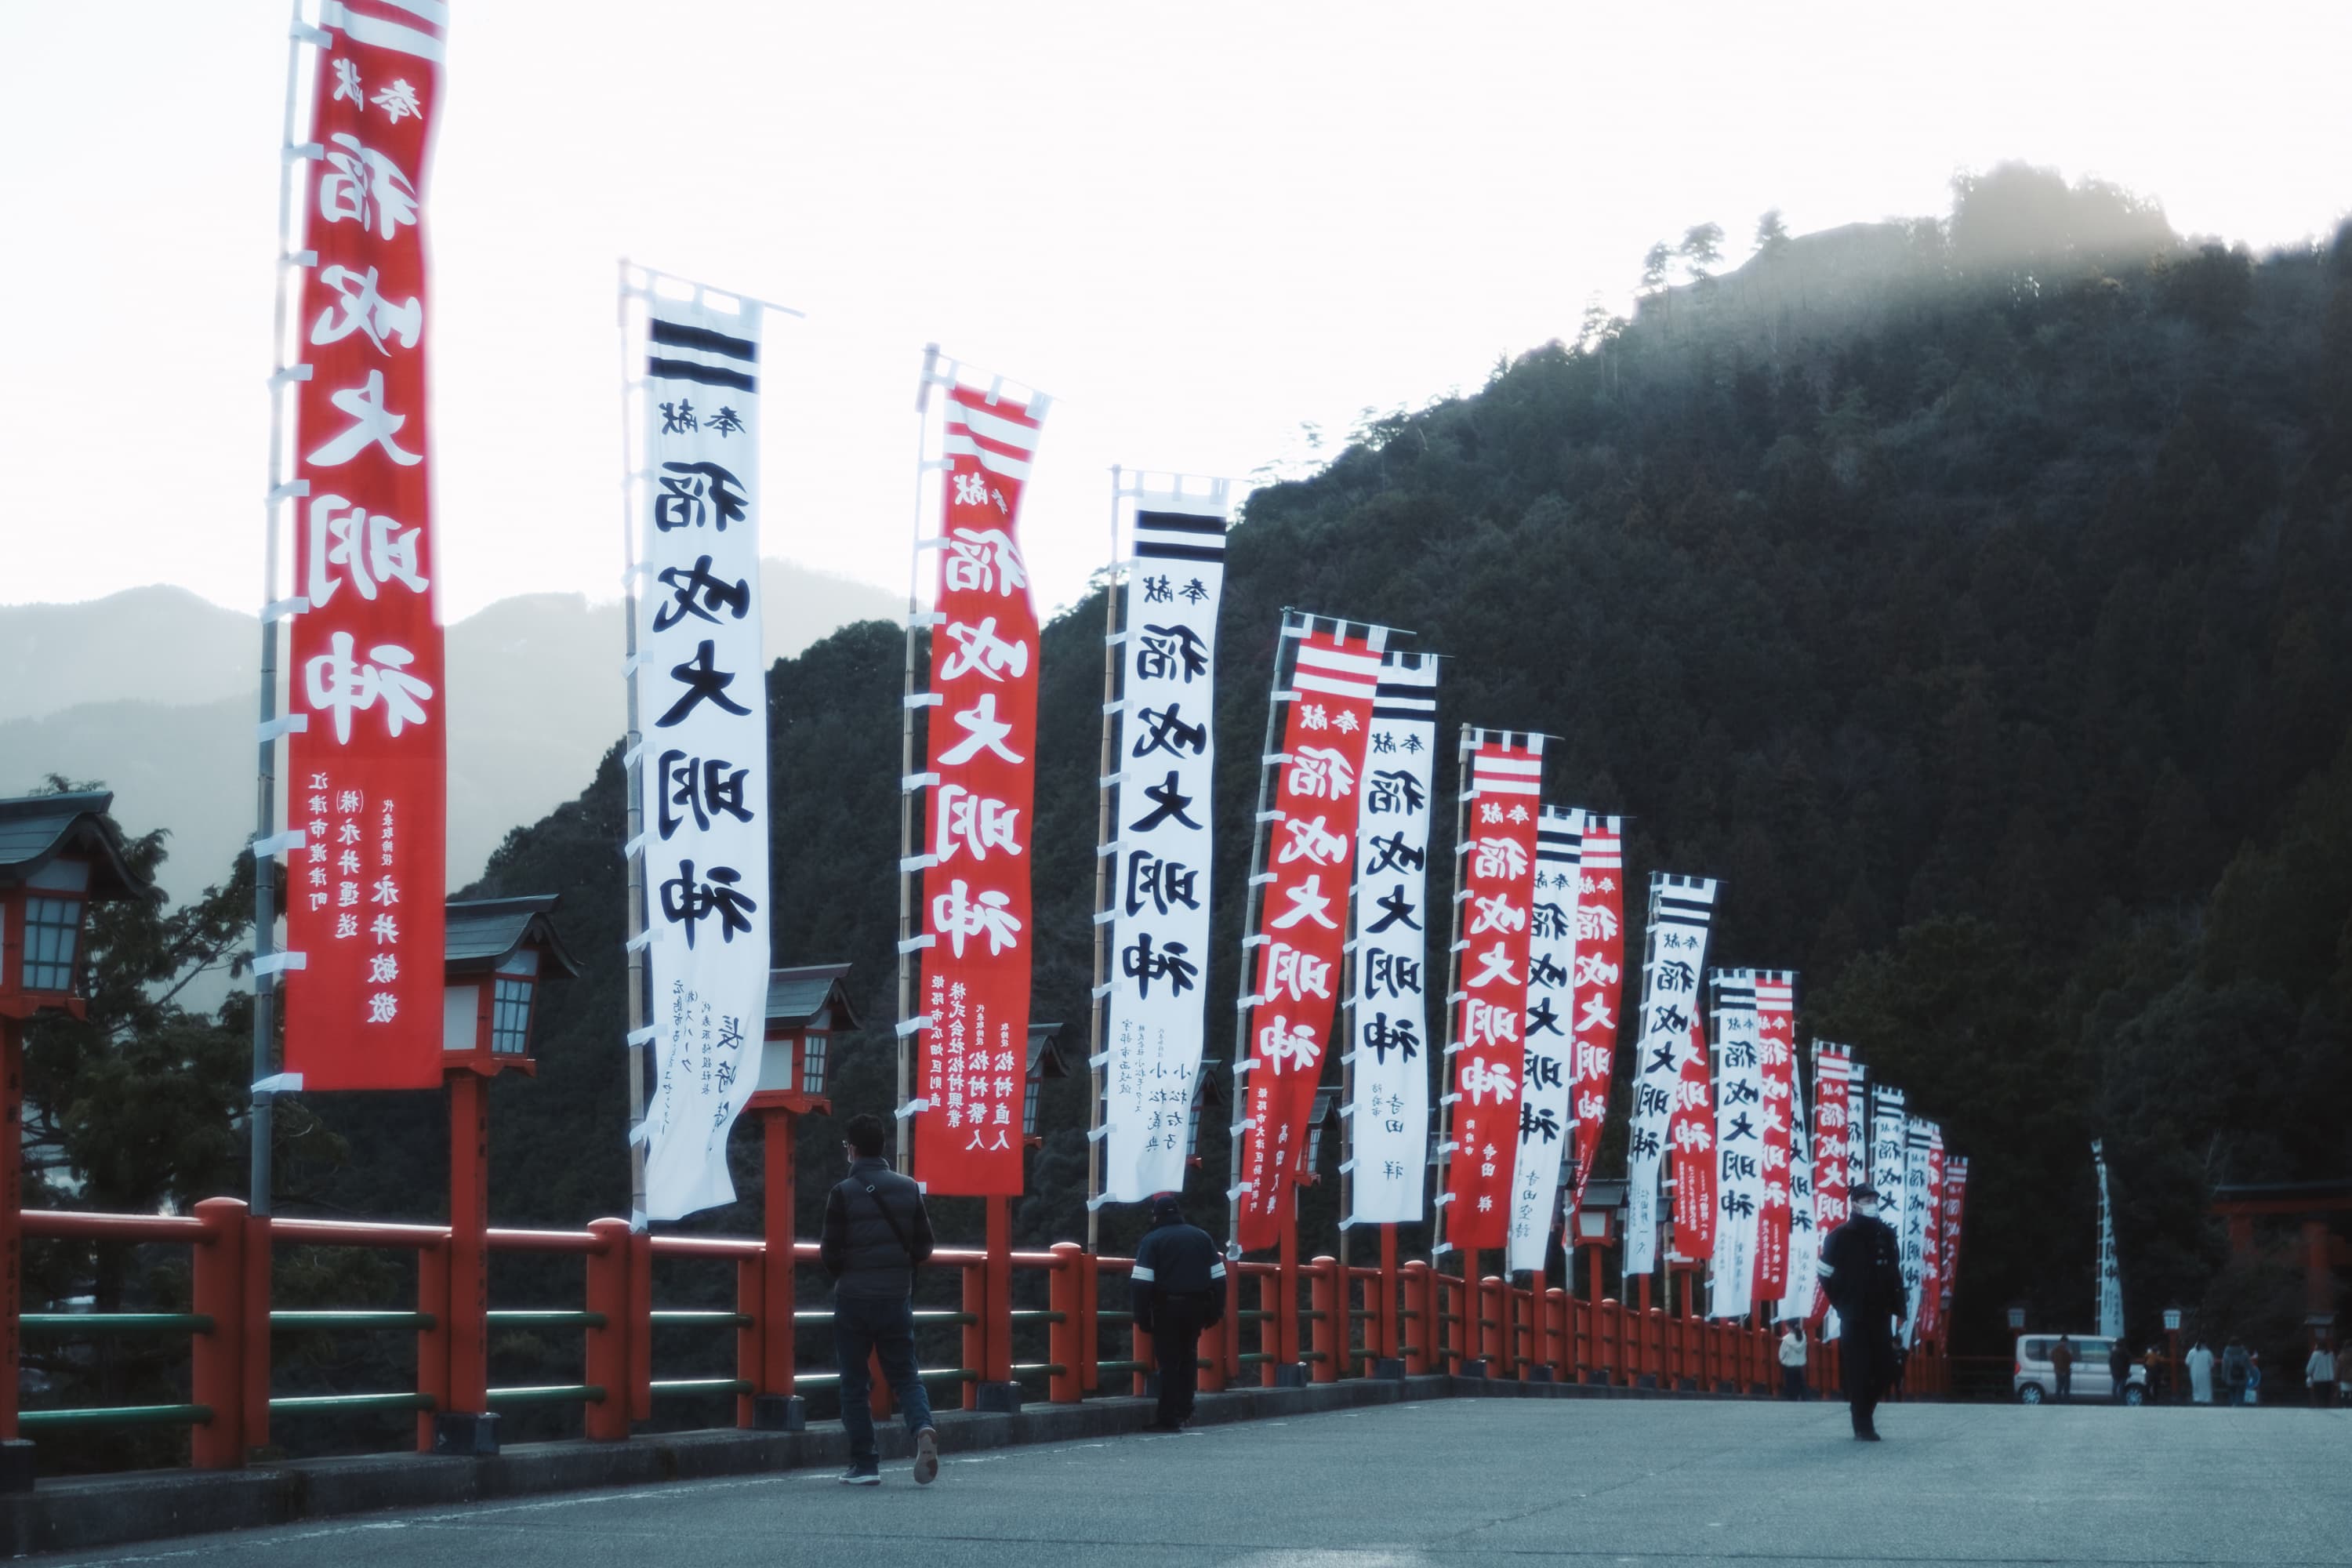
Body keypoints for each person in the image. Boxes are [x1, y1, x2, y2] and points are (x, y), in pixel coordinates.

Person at [819, 1113, 940, 1486]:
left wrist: (849, 1271)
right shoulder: (908, 1189)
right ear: (882, 1147)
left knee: (855, 1381)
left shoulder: (842, 1192)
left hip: (854, 1299)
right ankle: (922, 1428)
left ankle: (865, 1464)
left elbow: (830, 1253)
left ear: (852, 1150)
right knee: (905, 1373)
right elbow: (924, 1247)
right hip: (895, 1297)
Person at [1816, 1181, 1906, 1440]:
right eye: (1866, 1201)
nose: (1872, 1205)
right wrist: (1841, 1301)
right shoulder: (1839, 1236)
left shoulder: (1886, 1235)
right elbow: (1824, 1274)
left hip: (1881, 1313)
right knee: (1859, 1369)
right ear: (1854, 1204)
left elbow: (1894, 1272)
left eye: (1874, 1200)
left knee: (1887, 1366)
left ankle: (1865, 1409)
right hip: (1853, 1314)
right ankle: (1862, 1422)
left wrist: (1898, 1306)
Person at [1130, 1193, 1225, 1432]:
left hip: (1167, 1307)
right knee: (1188, 1356)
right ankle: (1185, 1408)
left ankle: (1167, 1417)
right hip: (1197, 1306)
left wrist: (1141, 1316)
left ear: (1156, 1216)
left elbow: (1142, 1282)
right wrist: (1216, 1310)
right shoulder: (1202, 1237)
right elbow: (1220, 1278)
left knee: (1169, 1362)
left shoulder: (1152, 1240)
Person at [1778, 1323, 1809, 1400]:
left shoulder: (1786, 1339)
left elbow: (1782, 1352)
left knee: (1790, 1383)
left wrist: (1782, 1360)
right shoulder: (1803, 1337)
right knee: (1801, 1382)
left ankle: (1792, 1398)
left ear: (1789, 1327)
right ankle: (1805, 1397)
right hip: (1799, 1364)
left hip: (1789, 1365)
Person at [2305, 1338, 2336, 1408]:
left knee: (2318, 1398)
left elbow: (2309, 1369)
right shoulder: (2331, 1354)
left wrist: (2309, 1374)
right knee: (2327, 1399)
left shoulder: (2315, 1354)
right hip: (2329, 1380)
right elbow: (2334, 1366)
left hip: (2318, 1380)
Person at [2222, 1338, 2250, 1406]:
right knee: (2241, 1392)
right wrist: (2250, 1375)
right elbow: (2248, 1366)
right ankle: (2239, 1405)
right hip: (2242, 1376)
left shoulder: (2227, 1353)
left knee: (2231, 1392)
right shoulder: (2244, 1353)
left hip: (2230, 1376)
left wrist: (2224, 1377)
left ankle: (2232, 1405)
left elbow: (2224, 1367)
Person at [2187, 1338, 2215, 1404]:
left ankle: (2197, 1398)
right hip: (2206, 1372)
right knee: (2206, 1386)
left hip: (2194, 1372)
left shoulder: (2192, 1352)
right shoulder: (2208, 1352)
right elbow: (2212, 1364)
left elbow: (2187, 1362)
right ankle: (2207, 1399)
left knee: (2196, 1385)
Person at [2049, 1334, 2075, 1403]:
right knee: (2066, 1388)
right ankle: (2065, 1401)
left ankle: (2058, 1401)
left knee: (2059, 1387)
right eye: (2065, 1342)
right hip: (2065, 1372)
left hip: (2058, 1371)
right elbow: (2070, 1360)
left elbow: (2052, 1359)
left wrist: (2057, 1368)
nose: (2065, 1343)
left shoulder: (2055, 1350)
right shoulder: (2065, 1351)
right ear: (2064, 1342)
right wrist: (2063, 1371)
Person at [2108, 1338, 2132, 1403]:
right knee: (2121, 1389)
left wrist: (2112, 1371)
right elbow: (2128, 1363)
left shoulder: (2114, 1353)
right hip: (2123, 1374)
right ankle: (2122, 1402)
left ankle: (2116, 1402)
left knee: (2114, 1389)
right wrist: (2127, 1372)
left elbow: (2110, 1363)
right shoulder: (2125, 1352)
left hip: (2116, 1374)